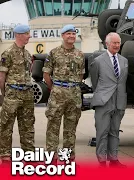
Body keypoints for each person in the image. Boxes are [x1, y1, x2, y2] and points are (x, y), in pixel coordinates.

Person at [42, 24, 85, 164]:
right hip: (57, 95)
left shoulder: (80, 54)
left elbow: (80, 76)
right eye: (68, 34)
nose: (71, 36)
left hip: (74, 95)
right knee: (53, 127)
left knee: (70, 129)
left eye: (73, 33)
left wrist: (72, 87)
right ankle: (51, 158)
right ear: (63, 35)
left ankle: (68, 158)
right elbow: (46, 74)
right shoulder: (54, 53)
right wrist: (54, 88)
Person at [89, 32, 128, 168]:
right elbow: (95, 81)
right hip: (103, 101)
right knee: (102, 132)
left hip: (119, 101)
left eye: (118, 43)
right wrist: (102, 93)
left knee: (115, 131)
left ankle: (114, 159)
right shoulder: (98, 61)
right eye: (114, 43)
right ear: (107, 44)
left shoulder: (124, 61)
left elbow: (122, 81)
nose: (117, 45)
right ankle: (101, 161)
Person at [0, 25, 35, 166]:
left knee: (27, 126)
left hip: (27, 94)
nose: (29, 36)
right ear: (19, 35)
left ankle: (29, 156)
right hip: (12, 93)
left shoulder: (27, 54)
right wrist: (5, 94)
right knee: (6, 126)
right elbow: (1, 76)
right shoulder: (7, 53)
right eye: (27, 33)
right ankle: (5, 156)